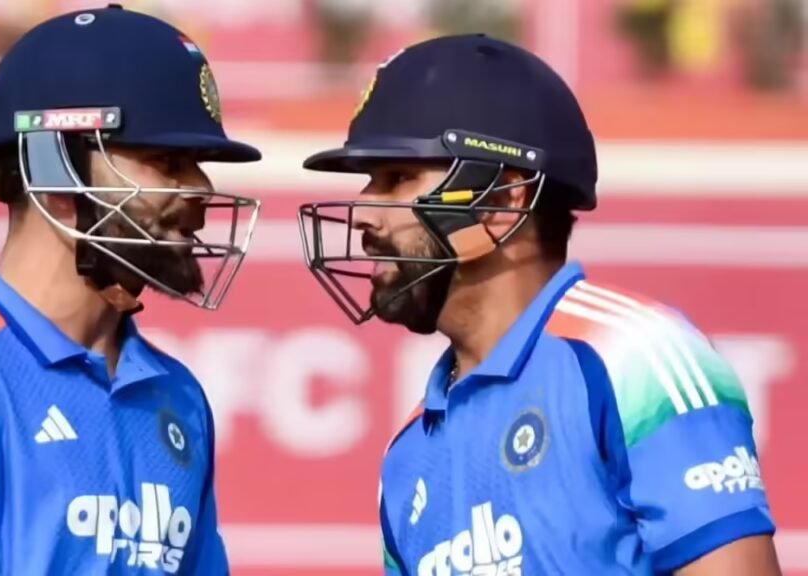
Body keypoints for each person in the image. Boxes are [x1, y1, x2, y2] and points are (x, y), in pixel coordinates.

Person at [297, 34, 781, 575]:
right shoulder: (407, 456)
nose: (364, 214)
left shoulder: (634, 359)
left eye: (399, 179)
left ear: (504, 201)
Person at [0, 5, 262, 575]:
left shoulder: (177, 394)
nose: (202, 189)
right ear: (55, 170)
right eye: (167, 161)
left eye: (199, 164)